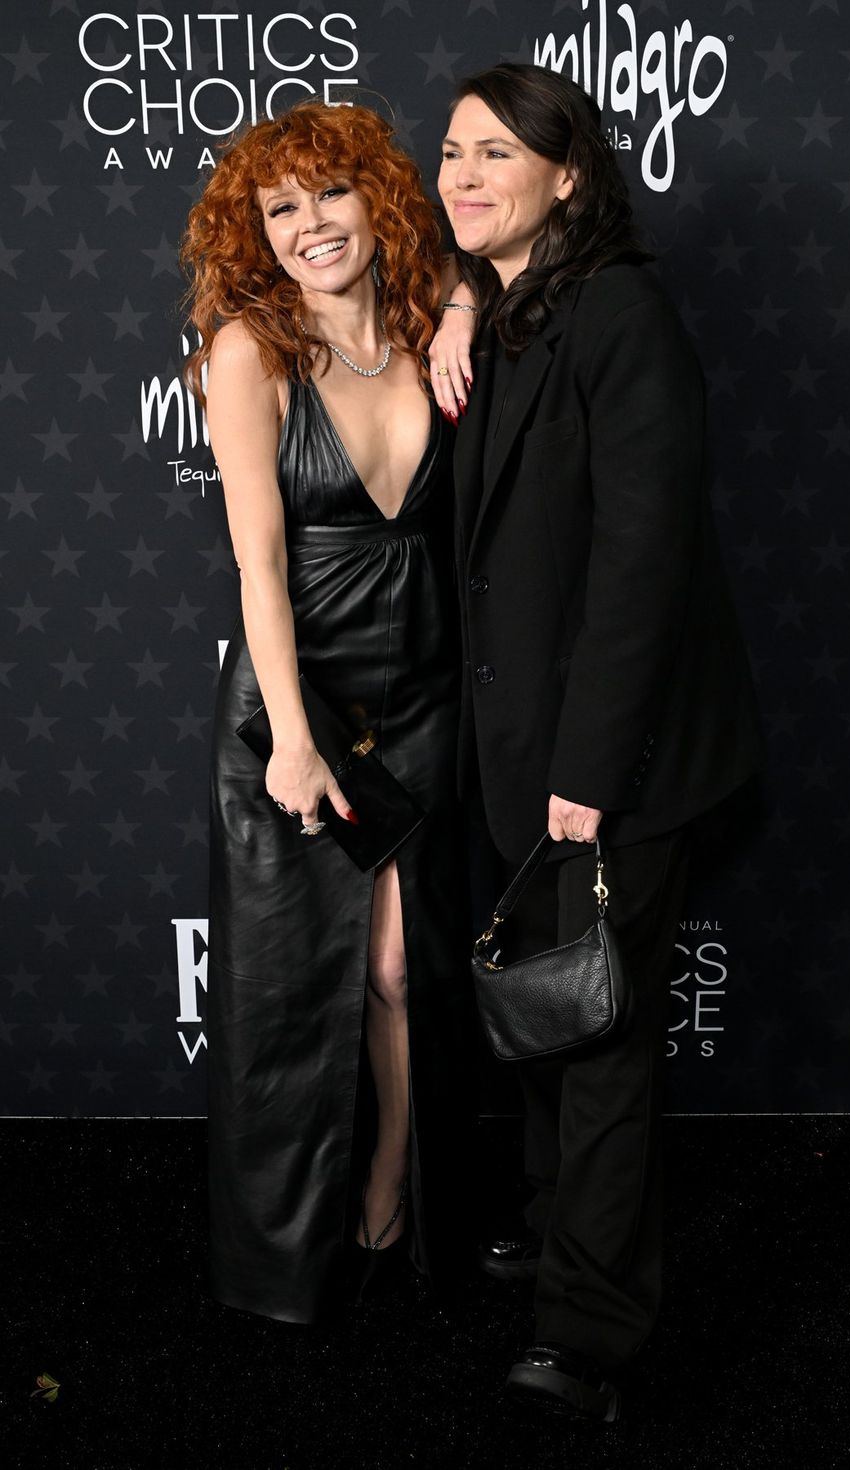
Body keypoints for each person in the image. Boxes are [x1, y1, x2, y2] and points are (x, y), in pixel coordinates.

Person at [436, 64, 763, 1420]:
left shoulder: (625, 317)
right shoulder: (513, 309)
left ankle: (593, 1330)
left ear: (569, 175)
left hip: (608, 766)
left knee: (606, 1042)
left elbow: (645, 566)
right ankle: (556, 1220)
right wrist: (461, 293)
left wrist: (587, 775)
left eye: (494, 153)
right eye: (450, 149)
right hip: (522, 753)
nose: (459, 173)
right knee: (553, 1018)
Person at [180, 100, 474, 1322]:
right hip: (299, 714)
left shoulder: (425, 322)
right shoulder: (251, 351)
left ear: (378, 199)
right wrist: (291, 743)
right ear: (256, 232)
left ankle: (392, 1186)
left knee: (405, 972)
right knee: (292, 996)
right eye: (280, 208)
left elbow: (507, 251)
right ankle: (281, 1265)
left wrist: (460, 298)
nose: (310, 227)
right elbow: (256, 564)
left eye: (331, 195)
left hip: (421, 696)